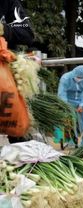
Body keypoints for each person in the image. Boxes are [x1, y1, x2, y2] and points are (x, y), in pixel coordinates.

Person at [1, 0, 34, 143]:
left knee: (19, 133)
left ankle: (24, 160)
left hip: (5, 79)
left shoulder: (8, 3)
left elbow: (27, 34)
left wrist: (3, 29)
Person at [58, 65, 83, 146]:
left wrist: (82, 104)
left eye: (81, 78)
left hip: (81, 100)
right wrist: (65, 105)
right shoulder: (65, 78)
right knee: (67, 120)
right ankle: (69, 140)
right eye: (78, 77)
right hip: (68, 100)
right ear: (74, 74)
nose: (79, 79)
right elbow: (62, 93)